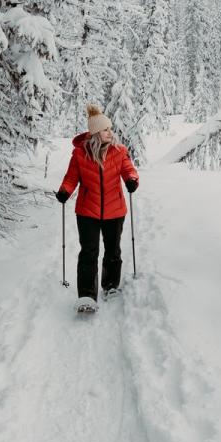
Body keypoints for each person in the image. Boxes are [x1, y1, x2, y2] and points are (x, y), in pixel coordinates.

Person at [56, 103, 139, 311]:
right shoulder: (80, 155)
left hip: (115, 210)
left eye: (110, 128)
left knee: (113, 250)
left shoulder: (120, 151)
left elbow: (129, 169)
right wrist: (65, 191)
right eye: (105, 129)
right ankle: (86, 295)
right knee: (89, 252)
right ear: (95, 133)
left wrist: (131, 180)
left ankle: (110, 285)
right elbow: (71, 178)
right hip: (87, 212)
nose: (110, 132)